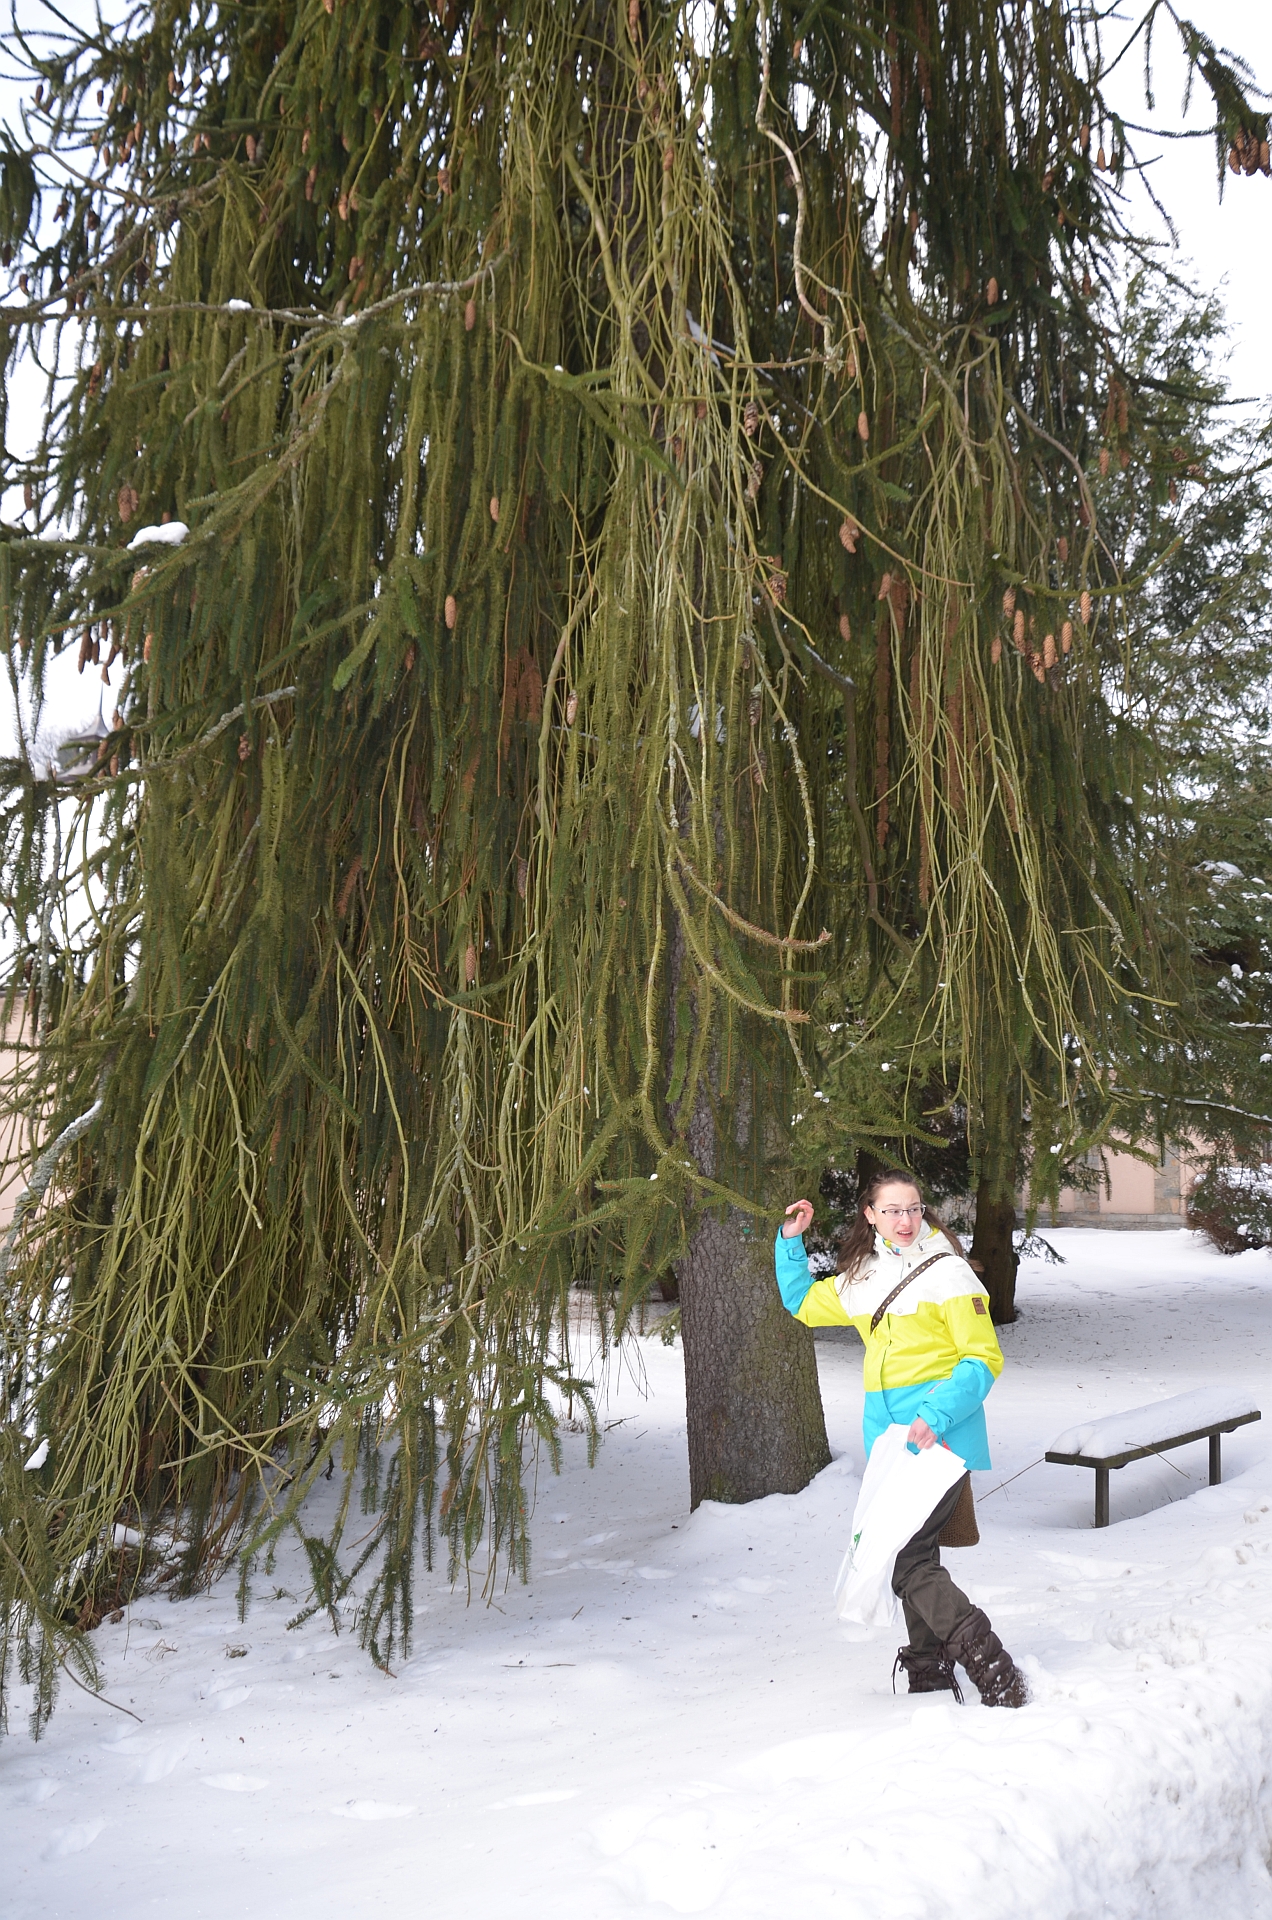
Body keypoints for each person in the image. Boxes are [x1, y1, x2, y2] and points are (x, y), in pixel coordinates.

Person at [775, 1169, 1027, 1708]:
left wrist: (936, 1413)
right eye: (891, 1210)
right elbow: (802, 1302)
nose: (905, 1220)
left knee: (906, 1558)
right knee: (914, 1551)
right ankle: (927, 1672)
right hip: (889, 1444)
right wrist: (791, 1241)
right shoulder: (862, 1277)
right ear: (871, 1216)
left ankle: (993, 1667)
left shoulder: (949, 1274)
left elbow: (983, 1359)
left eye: (912, 1208)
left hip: (940, 1439)